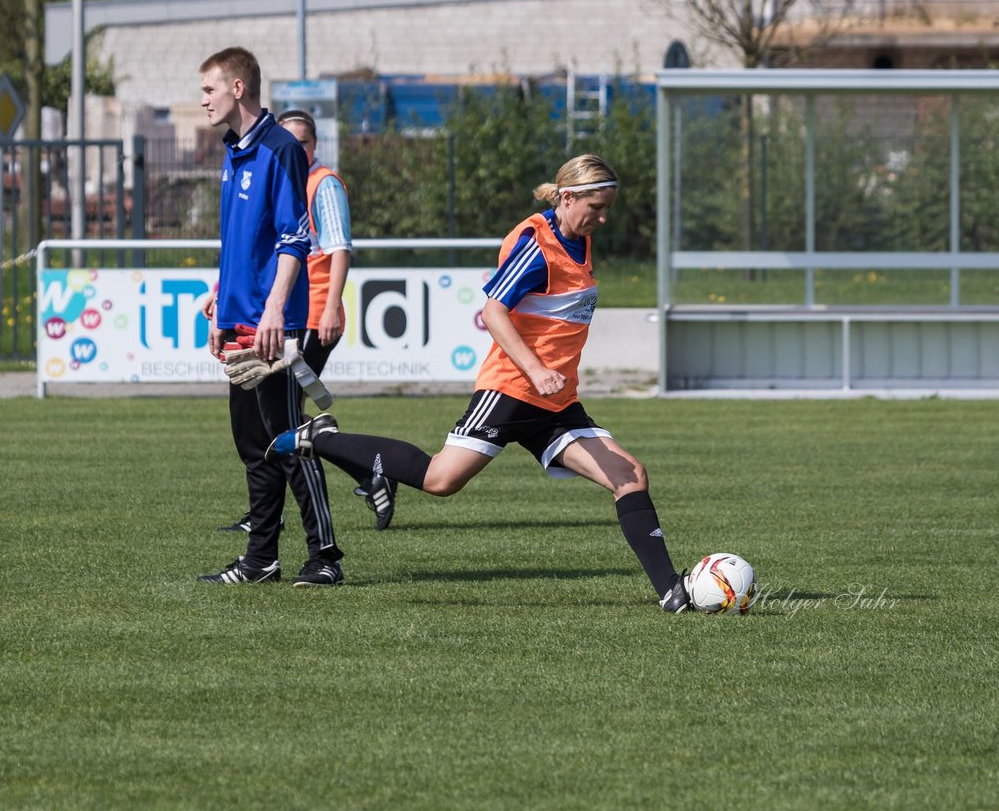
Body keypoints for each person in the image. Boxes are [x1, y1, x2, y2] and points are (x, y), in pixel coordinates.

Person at [265, 154, 693, 612]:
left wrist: (550, 377)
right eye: (596, 206)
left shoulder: (578, 237)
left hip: (555, 403)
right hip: (510, 391)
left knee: (630, 476)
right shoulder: (537, 244)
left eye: (608, 207)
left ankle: (671, 591)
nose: (603, 217)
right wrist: (536, 370)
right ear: (567, 197)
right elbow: (492, 311)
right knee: (440, 480)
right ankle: (323, 438)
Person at [195, 46, 345, 585]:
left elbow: (293, 236)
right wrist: (220, 303)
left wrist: (276, 309)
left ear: (238, 88)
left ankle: (324, 556)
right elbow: (235, 241)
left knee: (288, 440)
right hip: (239, 319)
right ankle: (261, 560)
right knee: (253, 445)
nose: (203, 100)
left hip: (272, 323)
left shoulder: (280, 148)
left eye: (209, 89)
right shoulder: (233, 150)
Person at [277, 108, 397, 530]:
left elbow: (339, 249)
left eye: (302, 142)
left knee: (283, 416)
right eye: (286, 141)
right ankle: (368, 473)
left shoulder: (322, 184)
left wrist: (330, 307)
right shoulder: (283, 182)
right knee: (280, 417)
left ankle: (369, 472)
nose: (294, 149)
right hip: (286, 315)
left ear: (313, 146)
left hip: (312, 316)